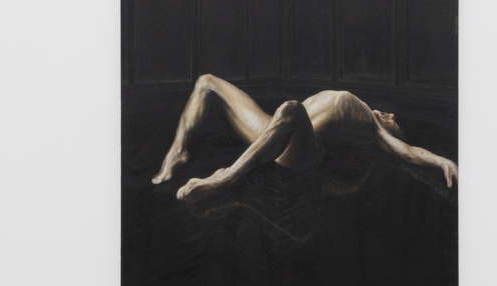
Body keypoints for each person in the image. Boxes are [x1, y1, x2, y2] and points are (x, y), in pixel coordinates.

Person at [151, 75, 458, 201]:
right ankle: (177, 151)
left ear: (390, 132)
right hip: (272, 128)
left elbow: (408, 151)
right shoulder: (361, 108)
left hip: (297, 151)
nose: (389, 115)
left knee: (292, 108)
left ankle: (224, 178)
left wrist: (441, 160)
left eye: (394, 123)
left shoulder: (372, 128)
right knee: (206, 82)